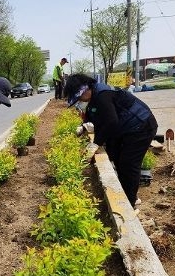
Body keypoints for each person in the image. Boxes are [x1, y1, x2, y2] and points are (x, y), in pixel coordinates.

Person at [64, 73, 158, 209]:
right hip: (126, 128)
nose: (80, 102)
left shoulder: (102, 95)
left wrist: (96, 143)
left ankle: (130, 204)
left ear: (85, 90)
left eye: (79, 98)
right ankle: (128, 194)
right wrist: (83, 126)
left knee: (128, 163)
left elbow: (110, 122)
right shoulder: (93, 97)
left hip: (141, 125)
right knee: (116, 158)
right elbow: (94, 116)